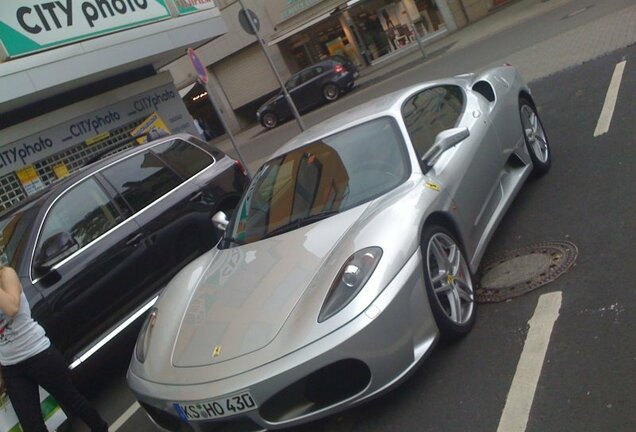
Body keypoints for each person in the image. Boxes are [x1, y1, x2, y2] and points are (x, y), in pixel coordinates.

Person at [0, 265, 108, 432]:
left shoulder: (6, 275)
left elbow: (12, 308)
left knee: (72, 400)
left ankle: (100, 428)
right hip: (12, 367)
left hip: (39, 354)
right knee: (31, 425)